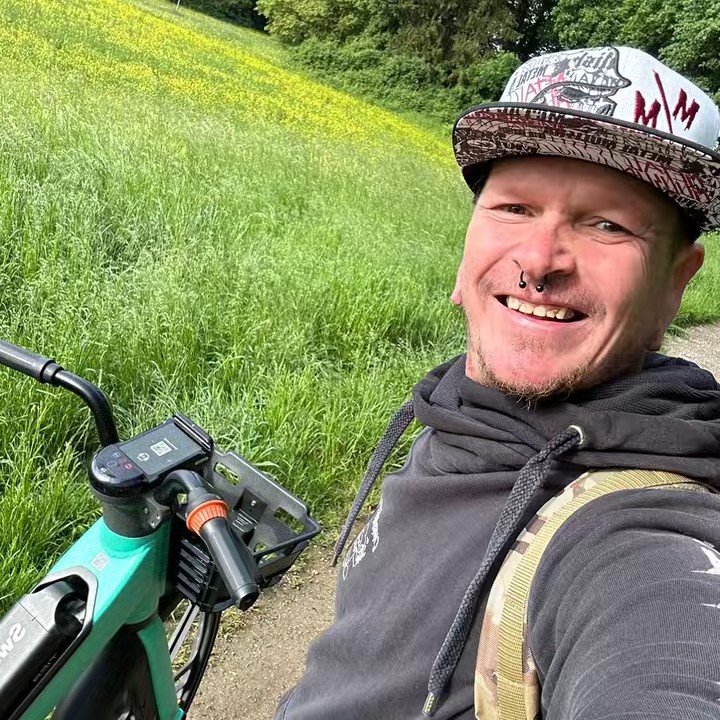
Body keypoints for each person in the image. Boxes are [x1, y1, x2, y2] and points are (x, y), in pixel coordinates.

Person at [275, 46, 720, 720]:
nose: (538, 261)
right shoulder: (456, 407)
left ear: (675, 285)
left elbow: (671, 661)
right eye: (514, 207)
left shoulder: (635, 539)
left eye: (607, 224)